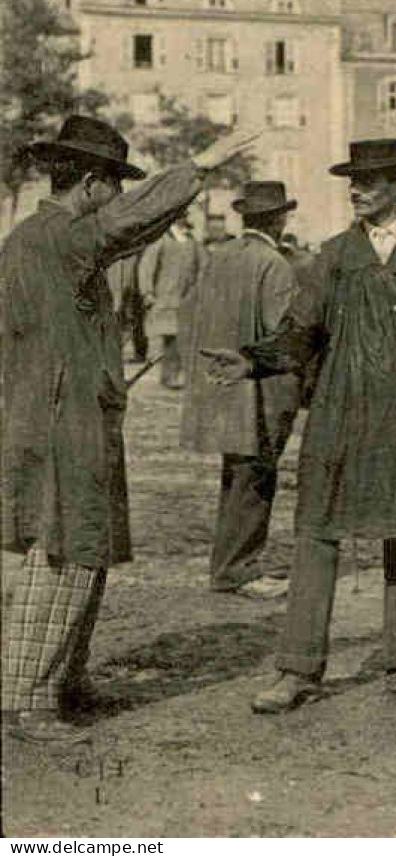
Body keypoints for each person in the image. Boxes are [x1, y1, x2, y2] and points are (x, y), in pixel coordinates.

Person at [204, 138, 396, 716]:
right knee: (317, 536)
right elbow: (302, 332)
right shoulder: (335, 254)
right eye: (353, 180)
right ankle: (297, 669)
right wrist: (253, 359)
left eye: (369, 180)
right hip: (339, 415)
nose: (357, 189)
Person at [1, 115, 255, 742]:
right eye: (113, 183)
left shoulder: (44, 235)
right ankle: (26, 702)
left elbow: (125, 233)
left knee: (88, 546)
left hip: (70, 408)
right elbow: (124, 226)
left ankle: (64, 679)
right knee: (66, 551)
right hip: (65, 416)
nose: (117, 196)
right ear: (90, 183)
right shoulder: (55, 235)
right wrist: (198, 169)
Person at [180, 181, 304, 600]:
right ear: (279, 218)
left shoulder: (219, 256)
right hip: (261, 388)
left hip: (221, 384)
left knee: (235, 478)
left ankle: (227, 564)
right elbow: (281, 336)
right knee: (256, 479)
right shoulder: (275, 264)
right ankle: (239, 569)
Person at [138, 216, 201, 389]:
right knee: (170, 340)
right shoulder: (162, 240)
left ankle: (176, 375)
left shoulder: (191, 242)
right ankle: (169, 376)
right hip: (165, 298)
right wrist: (147, 292)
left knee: (181, 339)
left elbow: (201, 268)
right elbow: (146, 267)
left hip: (186, 299)